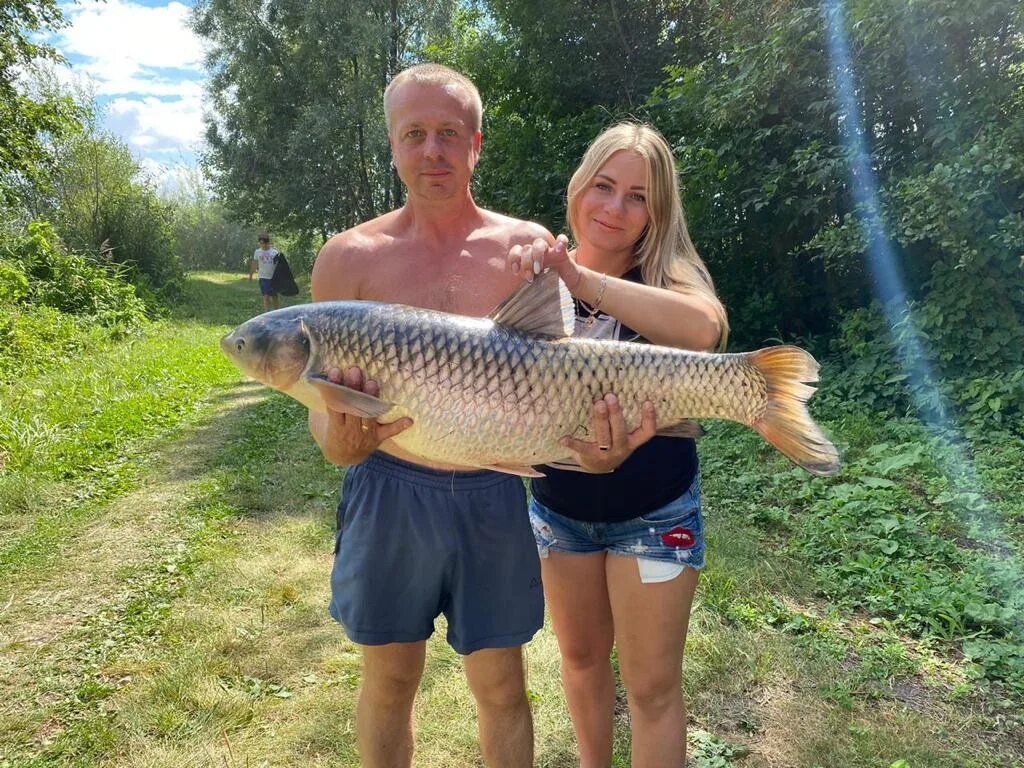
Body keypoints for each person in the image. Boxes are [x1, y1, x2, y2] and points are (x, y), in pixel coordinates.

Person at [307, 63, 554, 768]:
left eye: (449, 134)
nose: (432, 151)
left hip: (492, 486)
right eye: (414, 134)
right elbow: (321, 411)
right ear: (393, 146)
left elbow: (557, 381)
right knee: (390, 678)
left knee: (503, 684)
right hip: (388, 487)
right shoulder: (348, 260)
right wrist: (339, 445)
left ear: (476, 145)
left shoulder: (525, 249)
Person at [506, 122, 729, 768]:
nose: (615, 207)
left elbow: (706, 329)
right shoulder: (532, 269)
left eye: (638, 197)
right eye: (604, 186)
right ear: (579, 188)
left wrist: (584, 281)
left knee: (654, 687)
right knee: (578, 662)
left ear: (656, 212)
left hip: (655, 514)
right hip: (558, 511)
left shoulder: (666, 272)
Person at [249, 233, 280, 310]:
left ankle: (277, 312)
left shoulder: (274, 252)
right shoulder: (257, 252)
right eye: (261, 243)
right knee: (266, 296)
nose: (263, 245)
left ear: (268, 243)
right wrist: (251, 275)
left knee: (274, 297)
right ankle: (266, 313)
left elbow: (278, 266)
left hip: (273, 278)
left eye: (264, 243)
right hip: (263, 277)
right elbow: (254, 264)